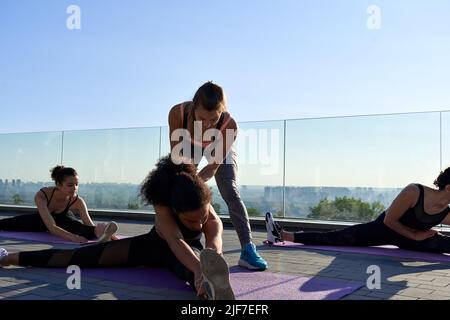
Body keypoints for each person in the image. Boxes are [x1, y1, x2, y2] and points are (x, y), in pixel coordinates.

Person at [0, 155, 235, 300]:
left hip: (187, 253)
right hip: (153, 247)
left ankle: (212, 290)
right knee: (77, 257)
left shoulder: (201, 197)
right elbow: (175, 240)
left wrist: (213, 254)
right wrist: (198, 267)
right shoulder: (163, 204)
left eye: (201, 218)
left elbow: (214, 224)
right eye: (191, 221)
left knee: (196, 277)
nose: (199, 224)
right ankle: (9, 257)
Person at [168, 81, 267, 271]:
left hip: (219, 145)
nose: (207, 125)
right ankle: (179, 242)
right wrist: (184, 180)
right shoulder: (178, 114)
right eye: (201, 119)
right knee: (179, 181)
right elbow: (177, 157)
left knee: (230, 190)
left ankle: (248, 250)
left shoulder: (230, 125)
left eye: (213, 120)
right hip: (190, 144)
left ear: (222, 111)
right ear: (193, 107)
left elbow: (212, 169)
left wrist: (196, 183)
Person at [266, 167, 450, 254]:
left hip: (410, 239)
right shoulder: (414, 191)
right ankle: (282, 235)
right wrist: (415, 235)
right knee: (339, 238)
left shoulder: (446, 211)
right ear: (448, 187)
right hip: (383, 230)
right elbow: (389, 221)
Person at [0, 166, 117, 243]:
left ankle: (101, 233)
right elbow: (51, 227)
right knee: (12, 223)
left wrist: (106, 235)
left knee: (75, 226)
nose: (75, 188)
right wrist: (74, 238)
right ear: (59, 185)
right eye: (70, 185)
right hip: (43, 220)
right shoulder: (42, 195)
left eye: (77, 184)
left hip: (64, 221)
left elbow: (88, 223)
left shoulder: (78, 201)